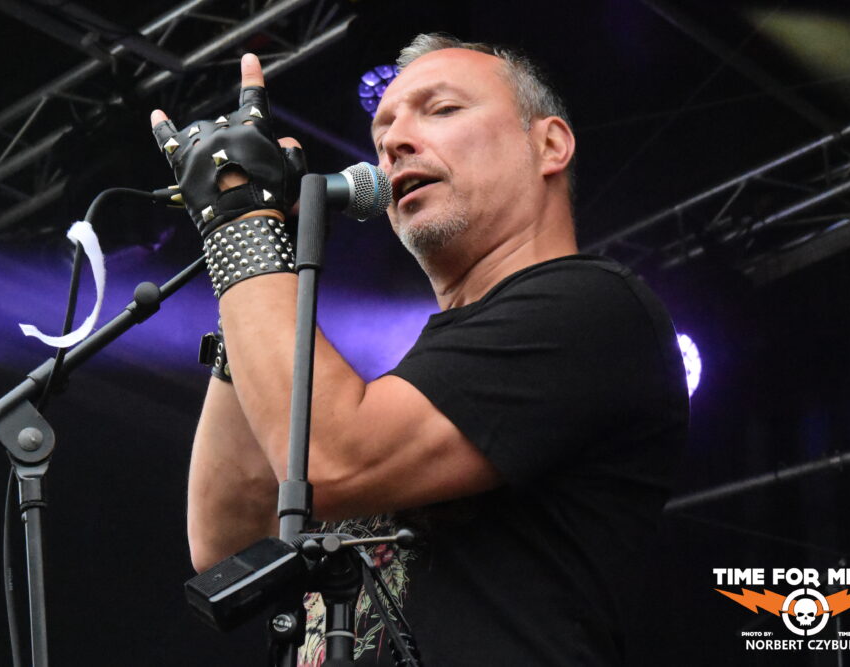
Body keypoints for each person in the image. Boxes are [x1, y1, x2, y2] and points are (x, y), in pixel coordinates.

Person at [151, 33, 688, 666]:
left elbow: (332, 460)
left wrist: (242, 232)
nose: (394, 142)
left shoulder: (590, 310)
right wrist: (255, 277)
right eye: (382, 132)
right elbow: (230, 542)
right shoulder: (413, 381)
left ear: (549, 145)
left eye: (442, 109)